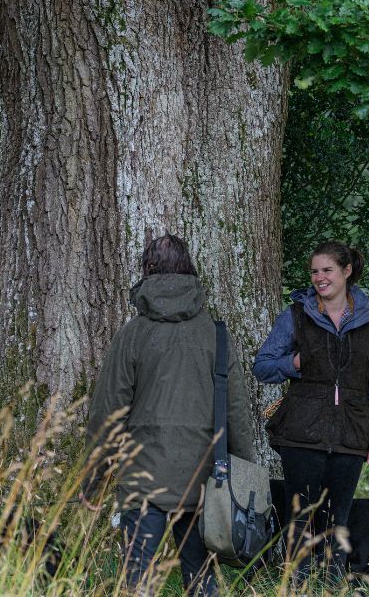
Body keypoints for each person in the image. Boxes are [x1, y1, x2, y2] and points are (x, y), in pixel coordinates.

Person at [81, 234, 255, 597]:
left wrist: (93, 480)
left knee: (137, 580)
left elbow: (107, 412)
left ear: (147, 270)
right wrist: (244, 479)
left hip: (143, 478)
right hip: (203, 480)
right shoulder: (216, 335)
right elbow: (236, 411)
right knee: (201, 580)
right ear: (189, 269)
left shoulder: (133, 334)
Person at [253, 241, 369, 585]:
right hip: (301, 433)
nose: (319, 277)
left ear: (347, 271)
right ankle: (294, 586)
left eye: (327, 270)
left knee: (336, 521)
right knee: (299, 518)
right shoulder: (296, 315)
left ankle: (329, 587)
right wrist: (294, 363)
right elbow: (263, 366)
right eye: (314, 271)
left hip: (352, 436)